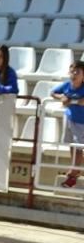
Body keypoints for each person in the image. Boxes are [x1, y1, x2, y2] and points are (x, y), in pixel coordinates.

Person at [51, 61, 84, 189]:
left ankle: (73, 173)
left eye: (78, 72)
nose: (74, 74)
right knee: (71, 145)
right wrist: (61, 97)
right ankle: (74, 168)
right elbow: (53, 92)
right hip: (69, 119)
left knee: (78, 147)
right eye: (72, 71)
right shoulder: (66, 85)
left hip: (81, 122)